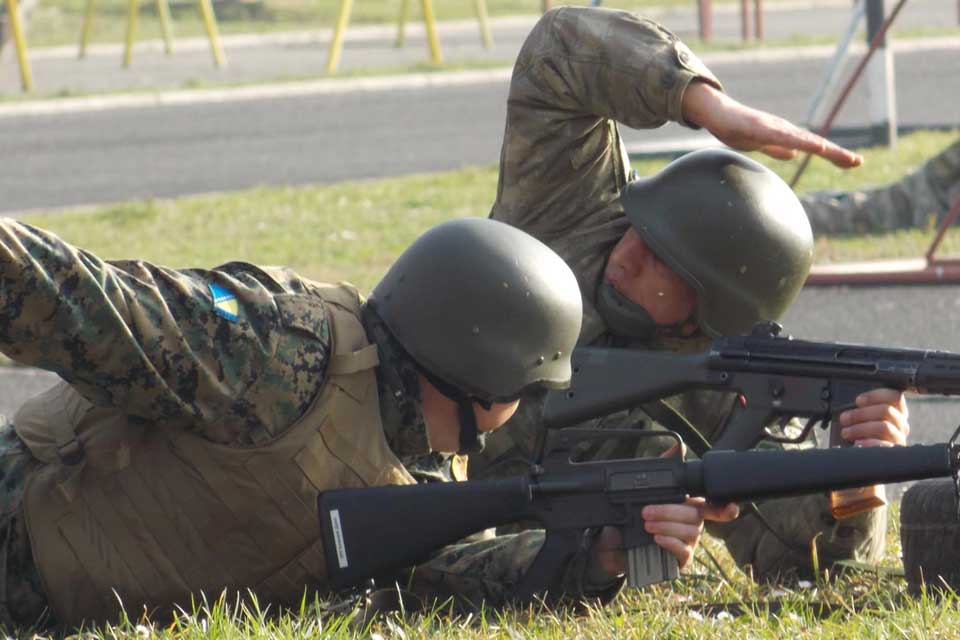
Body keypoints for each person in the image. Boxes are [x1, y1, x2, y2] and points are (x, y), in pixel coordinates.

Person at [0, 216, 739, 630]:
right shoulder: (278, 352)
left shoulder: (408, 459)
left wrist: (603, 554)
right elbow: (84, 301)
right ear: (481, 379)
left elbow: (449, 577)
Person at [470, 6, 911, 581]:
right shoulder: (572, 214)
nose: (629, 249)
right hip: (393, 466)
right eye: (642, 226)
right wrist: (706, 105)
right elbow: (556, 49)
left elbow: (809, 558)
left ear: (707, 318)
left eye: (664, 259)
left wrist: (859, 481)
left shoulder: (723, 400)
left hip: (501, 564)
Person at [801, 137, 960, 235]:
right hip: (922, 201)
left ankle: (795, 210)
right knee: (853, 211)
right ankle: (793, 211)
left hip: (928, 203)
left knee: (856, 209)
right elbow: (940, 168)